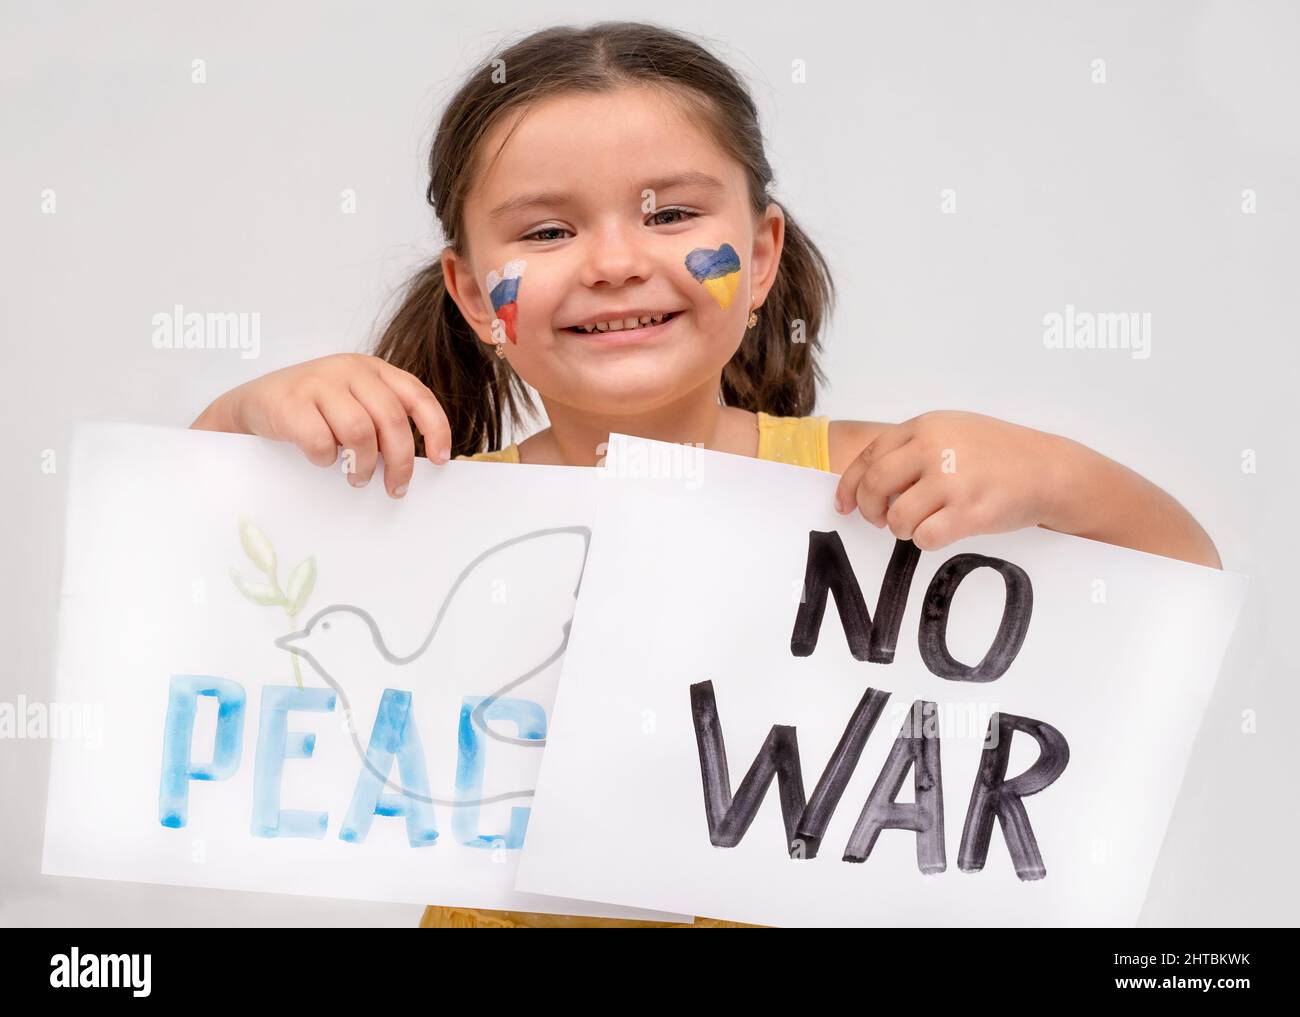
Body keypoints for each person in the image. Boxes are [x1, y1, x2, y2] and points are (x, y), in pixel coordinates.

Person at [192, 21, 1221, 927]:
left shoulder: (867, 483)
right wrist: (242, 422)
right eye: (547, 232)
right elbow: (191, 587)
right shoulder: (426, 508)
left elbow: (1175, 580)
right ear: (470, 292)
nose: (612, 262)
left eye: (672, 215)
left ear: (761, 253)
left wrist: (1049, 472)